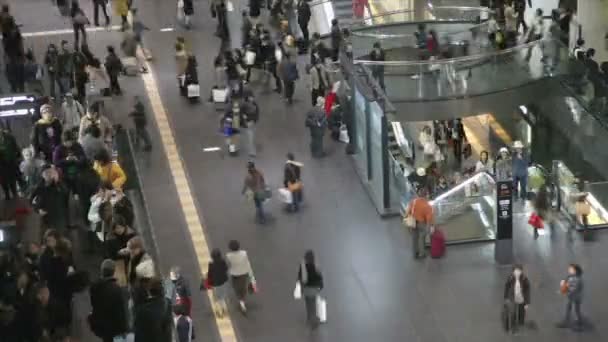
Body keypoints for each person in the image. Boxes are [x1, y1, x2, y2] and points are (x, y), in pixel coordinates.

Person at [89, 259, 129, 342]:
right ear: (113, 272)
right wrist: (124, 329)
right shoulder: (116, 289)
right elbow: (121, 311)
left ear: (102, 271)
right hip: (114, 327)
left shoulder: (94, 287)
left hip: (101, 326)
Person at [134, 277, 174, 342]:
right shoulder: (168, 304)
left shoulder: (142, 310)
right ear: (163, 291)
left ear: (149, 291)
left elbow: (139, 334)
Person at [226, 240, 255, 313]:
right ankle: (242, 300)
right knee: (243, 287)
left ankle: (241, 302)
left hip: (235, 274)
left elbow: (228, 265)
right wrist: (251, 276)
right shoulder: (244, 253)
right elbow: (247, 263)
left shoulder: (229, 256)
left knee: (236, 288)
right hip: (244, 273)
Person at [406, 188, 433, 259]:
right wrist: (428, 227)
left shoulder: (413, 202)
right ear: (426, 195)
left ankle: (415, 253)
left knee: (414, 238)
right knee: (422, 238)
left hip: (413, 222)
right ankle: (422, 253)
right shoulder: (427, 206)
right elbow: (429, 219)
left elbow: (408, 211)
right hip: (421, 223)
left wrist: (408, 222)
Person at [503, 264, 531, 331]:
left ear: (521, 271)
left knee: (522, 311)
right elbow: (507, 287)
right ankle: (514, 324)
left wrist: (527, 302)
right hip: (513, 297)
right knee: (513, 311)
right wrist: (506, 297)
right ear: (513, 272)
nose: (517, 273)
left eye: (519, 271)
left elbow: (527, 290)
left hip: (521, 297)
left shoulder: (524, 278)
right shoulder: (510, 278)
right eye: (515, 271)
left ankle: (521, 321)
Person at [557, 264, 584, 331]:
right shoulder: (570, 277)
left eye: (571, 269)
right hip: (571, 297)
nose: (569, 270)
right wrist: (563, 284)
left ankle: (577, 324)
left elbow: (574, 288)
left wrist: (565, 289)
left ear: (575, 271)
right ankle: (568, 321)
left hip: (575, 297)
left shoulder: (577, 279)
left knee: (575, 310)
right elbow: (566, 284)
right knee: (569, 309)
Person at [205, 248, 229, 317]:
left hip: (215, 284)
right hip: (223, 281)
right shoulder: (223, 261)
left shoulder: (211, 264)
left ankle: (219, 312)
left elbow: (210, 274)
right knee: (222, 297)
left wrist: (208, 280)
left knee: (216, 299)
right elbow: (226, 269)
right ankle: (224, 309)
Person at [0, 129, 21, 200]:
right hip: (1, 164)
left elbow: (16, 147)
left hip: (11, 161)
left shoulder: (9, 137)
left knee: (12, 179)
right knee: (3, 180)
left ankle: (15, 194)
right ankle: (7, 195)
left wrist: (18, 156)